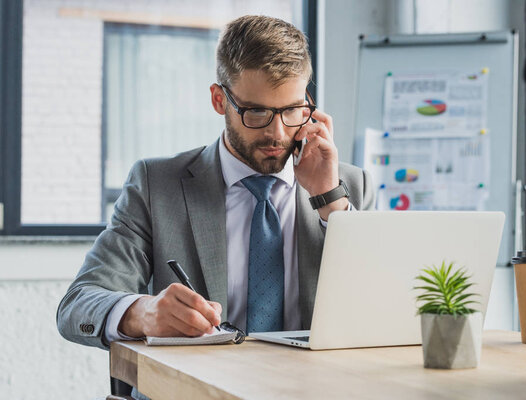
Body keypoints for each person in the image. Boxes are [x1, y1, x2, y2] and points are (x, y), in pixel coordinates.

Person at [57, 15, 374, 351]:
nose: (277, 133)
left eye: (292, 110)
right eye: (256, 112)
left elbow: (382, 305)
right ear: (219, 100)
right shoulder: (156, 186)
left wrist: (330, 200)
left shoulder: (349, 186)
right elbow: (78, 303)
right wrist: (142, 313)